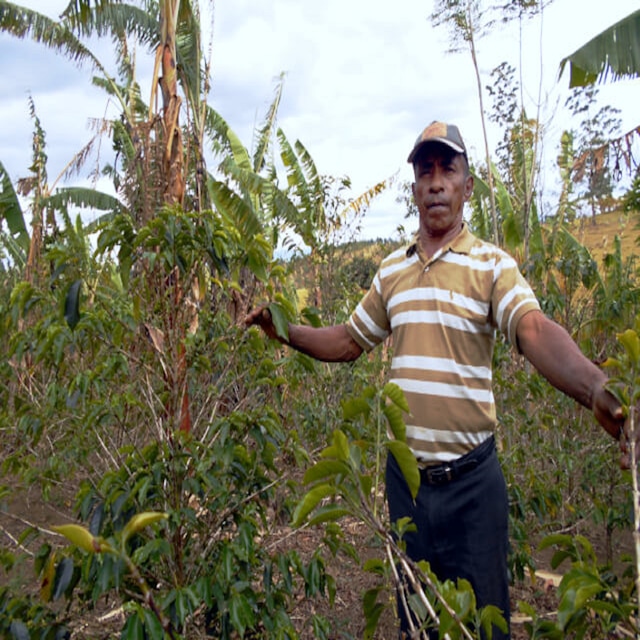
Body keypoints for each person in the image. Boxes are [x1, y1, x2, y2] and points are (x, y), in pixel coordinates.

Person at [245, 121, 626, 639]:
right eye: (426, 171)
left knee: (484, 626)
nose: (436, 182)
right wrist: (282, 329)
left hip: (473, 486)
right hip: (408, 489)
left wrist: (596, 388)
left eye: (448, 169)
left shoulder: (492, 266)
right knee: (417, 623)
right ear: (415, 189)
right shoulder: (391, 272)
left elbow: (533, 329)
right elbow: (347, 342)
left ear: (468, 186)